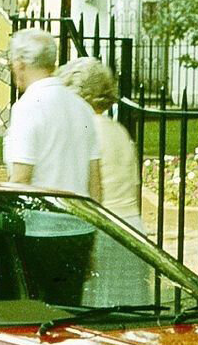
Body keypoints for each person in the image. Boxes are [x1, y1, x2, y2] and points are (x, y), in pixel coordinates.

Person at [3, 28, 102, 200]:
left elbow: (21, 179)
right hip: (81, 219)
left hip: (43, 221)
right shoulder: (82, 107)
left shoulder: (27, 108)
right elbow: (95, 181)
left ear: (20, 64)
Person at [56, 56, 141, 228]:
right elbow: (136, 188)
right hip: (132, 223)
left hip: (104, 223)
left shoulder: (83, 129)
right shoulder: (118, 130)